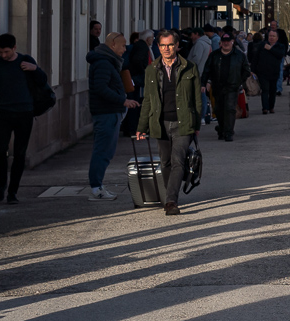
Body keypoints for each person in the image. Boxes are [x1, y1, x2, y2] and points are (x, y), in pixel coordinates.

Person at [136, 29, 200, 216]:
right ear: (158, 46)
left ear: (177, 46)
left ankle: (171, 200)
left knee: (178, 160)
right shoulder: (152, 70)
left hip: (183, 123)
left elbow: (197, 99)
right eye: (163, 45)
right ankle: (170, 194)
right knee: (165, 162)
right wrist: (141, 127)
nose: (166, 48)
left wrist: (196, 125)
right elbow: (147, 100)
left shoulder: (190, 67)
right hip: (160, 123)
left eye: (170, 45)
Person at [0, 34, 50, 204]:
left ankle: (13, 191)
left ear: (14, 48)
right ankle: (1, 185)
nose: (3, 55)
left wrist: (35, 69)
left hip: (24, 112)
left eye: (6, 52)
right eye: (0, 52)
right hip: (3, 112)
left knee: (19, 153)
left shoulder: (25, 61)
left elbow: (42, 81)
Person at [86, 33, 139, 199]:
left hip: (109, 112)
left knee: (105, 151)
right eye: (122, 46)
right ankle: (96, 189)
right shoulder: (103, 63)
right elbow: (101, 88)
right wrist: (123, 101)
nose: (125, 49)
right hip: (106, 113)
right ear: (113, 45)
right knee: (103, 151)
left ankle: (98, 186)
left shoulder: (108, 62)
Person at [202, 30, 250, 141]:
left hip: (232, 87)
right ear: (221, 42)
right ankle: (222, 129)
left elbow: (246, 70)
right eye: (224, 41)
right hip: (218, 87)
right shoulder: (214, 55)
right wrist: (204, 83)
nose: (226, 43)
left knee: (230, 109)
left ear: (232, 42)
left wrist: (239, 81)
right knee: (219, 110)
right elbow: (207, 70)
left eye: (228, 41)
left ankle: (228, 132)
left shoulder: (239, 55)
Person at [249, 29, 287, 114]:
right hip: (263, 71)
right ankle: (265, 108)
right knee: (265, 89)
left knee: (272, 90)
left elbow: (280, 55)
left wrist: (271, 49)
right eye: (270, 36)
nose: (271, 38)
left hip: (274, 71)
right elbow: (255, 58)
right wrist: (253, 70)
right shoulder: (262, 45)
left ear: (277, 38)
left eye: (273, 36)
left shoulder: (280, 46)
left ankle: (271, 107)